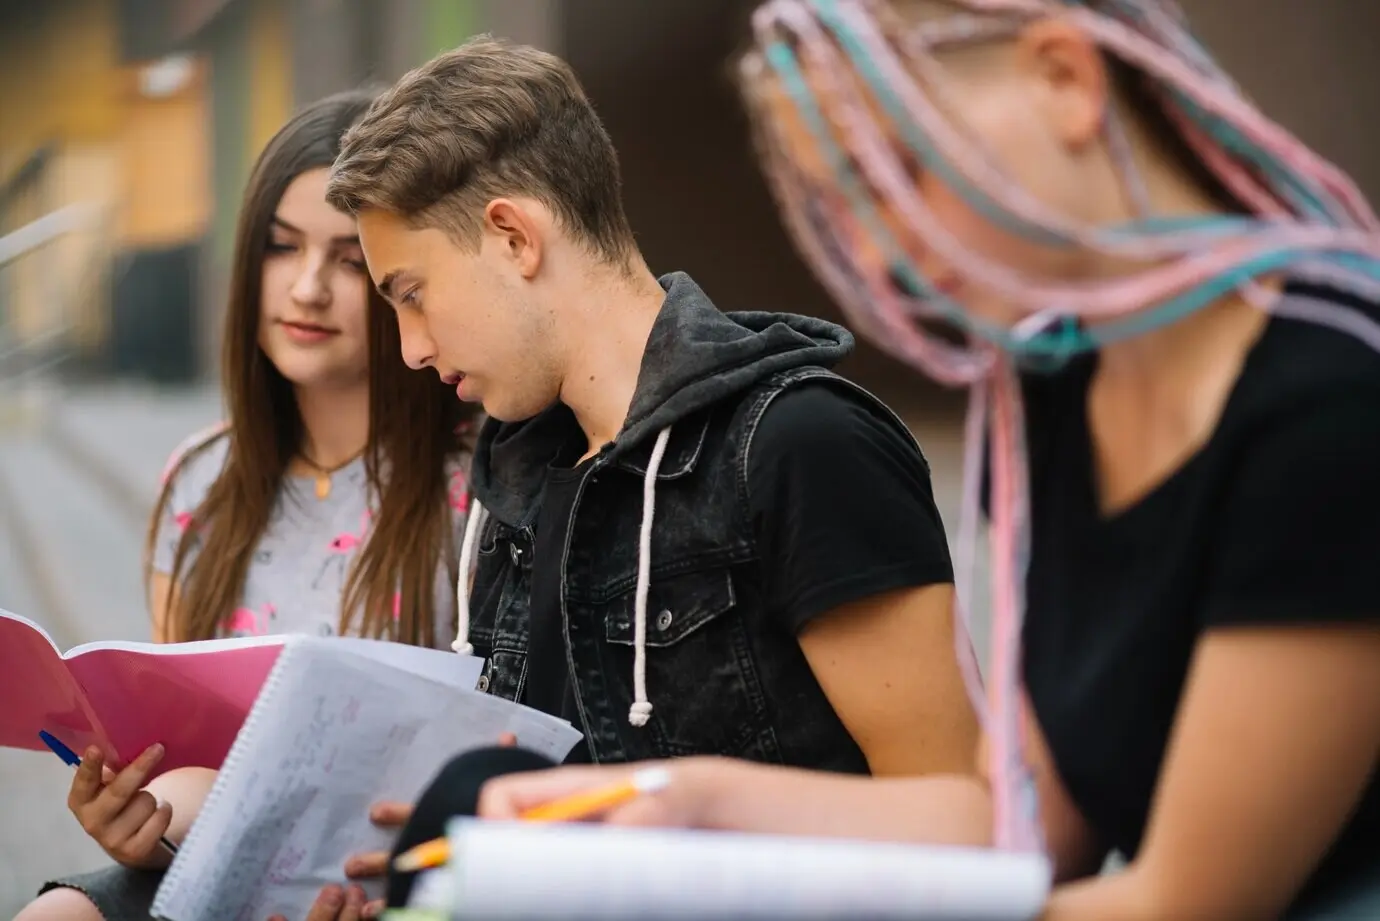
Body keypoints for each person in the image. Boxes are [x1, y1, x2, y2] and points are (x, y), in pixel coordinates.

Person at [473, 2, 1380, 919]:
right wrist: (682, 804)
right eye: (837, 204)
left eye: (897, 170)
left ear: (1065, 78)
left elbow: (1185, 902)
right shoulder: (1053, 388)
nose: (875, 247)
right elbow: (1023, 828)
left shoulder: (1331, 400)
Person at [326, 36, 980, 787]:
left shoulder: (803, 445)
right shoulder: (513, 482)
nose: (409, 348)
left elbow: (955, 808)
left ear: (513, 238)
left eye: (412, 295)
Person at [18, 89, 478, 921]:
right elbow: (183, 764)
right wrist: (140, 822)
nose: (305, 287)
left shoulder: (474, 488)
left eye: (347, 258)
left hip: (389, 880)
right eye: (279, 246)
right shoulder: (200, 481)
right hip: (220, 861)